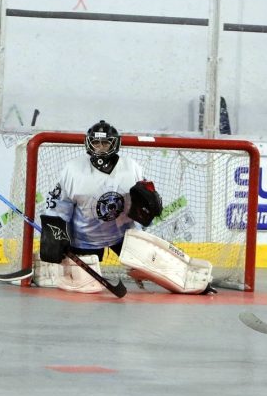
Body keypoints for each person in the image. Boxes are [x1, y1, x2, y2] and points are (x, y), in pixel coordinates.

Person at [36, 120, 212, 294]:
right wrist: (55, 233)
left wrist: (148, 208)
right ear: (88, 144)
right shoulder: (72, 170)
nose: (100, 147)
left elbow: (144, 200)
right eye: (96, 142)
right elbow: (58, 205)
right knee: (85, 286)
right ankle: (41, 270)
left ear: (115, 144)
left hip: (124, 234)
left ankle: (191, 282)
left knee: (157, 264)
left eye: (105, 142)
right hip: (85, 238)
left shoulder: (131, 167)